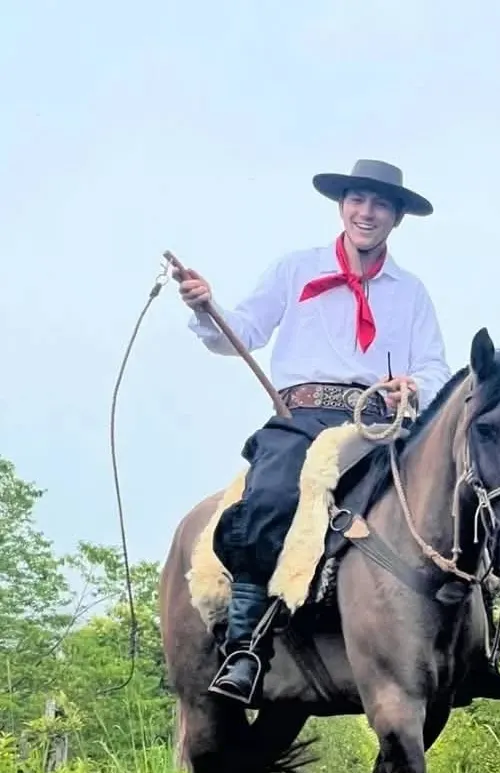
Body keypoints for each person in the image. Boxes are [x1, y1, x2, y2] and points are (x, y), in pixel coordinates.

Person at [177, 158, 452, 704]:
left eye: (379, 205)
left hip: (377, 425)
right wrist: (208, 307)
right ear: (342, 206)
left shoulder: (411, 292)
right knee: (270, 495)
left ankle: (476, 648)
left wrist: (411, 388)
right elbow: (242, 331)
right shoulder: (295, 269)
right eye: (356, 200)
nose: (366, 212)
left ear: (397, 217)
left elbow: (435, 368)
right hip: (301, 419)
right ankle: (245, 646)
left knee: (449, 493)